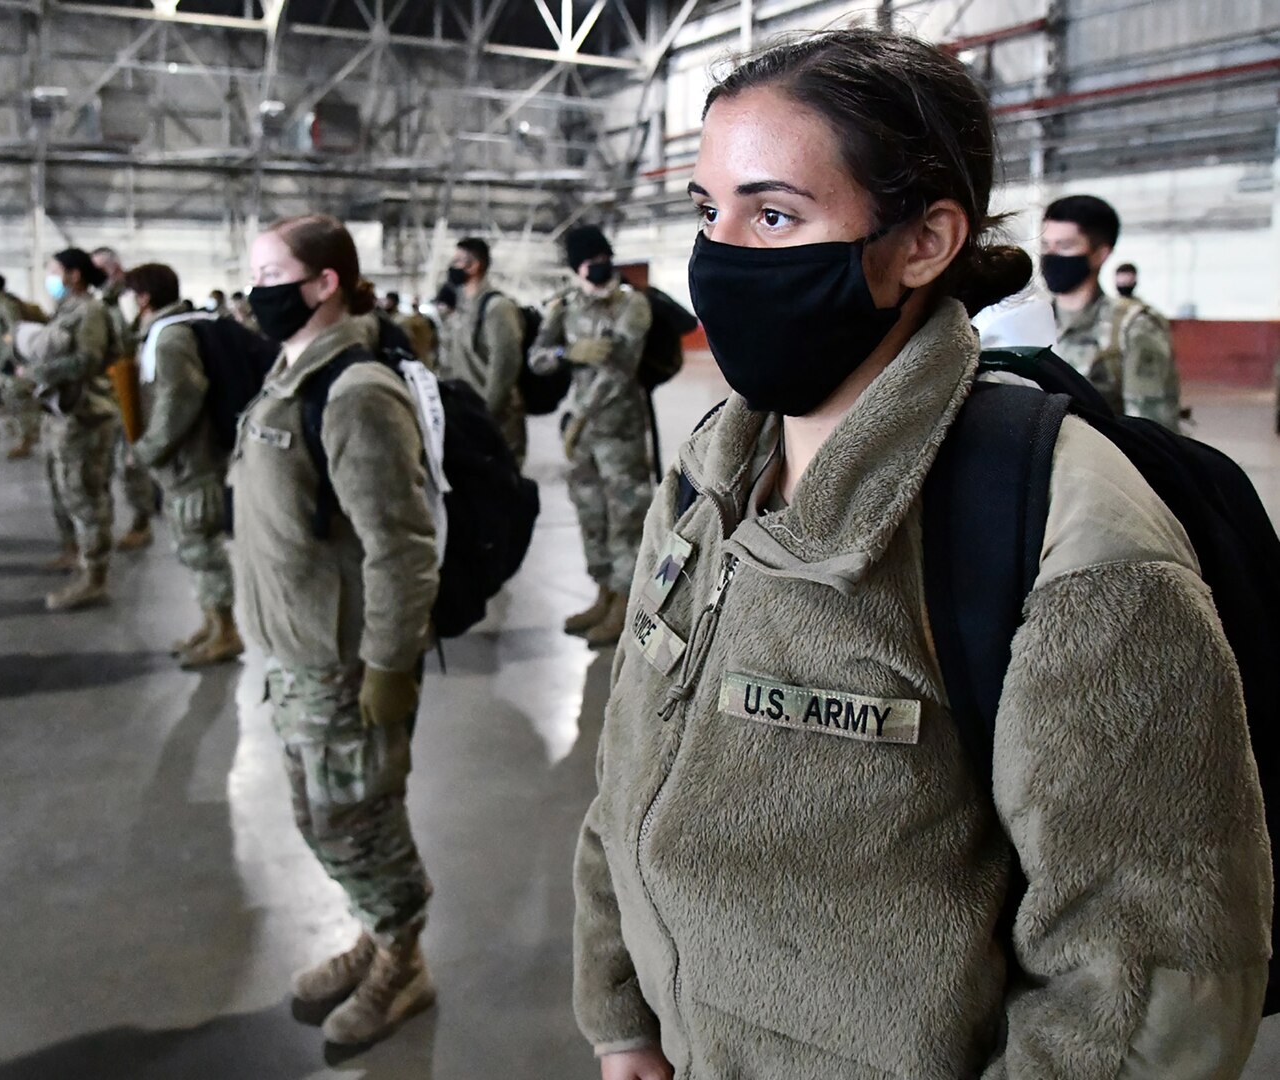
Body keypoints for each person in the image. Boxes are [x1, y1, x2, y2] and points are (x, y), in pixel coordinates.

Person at [574, 28, 1271, 1080]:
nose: (716, 255)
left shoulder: (1062, 534)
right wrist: (622, 1012)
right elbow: (634, 759)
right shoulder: (709, 476)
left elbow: (1144, 983)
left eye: (773, 213)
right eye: (704, 210)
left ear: (922, 241)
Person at [232, 214, 438, 1047]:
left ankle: (403, 963)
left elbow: (402, 546)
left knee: (358, 820)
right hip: (294, 652)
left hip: (344, 663)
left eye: (273, 274)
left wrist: (388, 666)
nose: (256, 291)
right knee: (322, 818)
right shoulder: (287, 374)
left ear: (324, 284)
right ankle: (374, 935)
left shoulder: (355, 393)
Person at [529, 224, 651, 647]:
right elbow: (537, 359)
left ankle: (625, 606)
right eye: (584, 263)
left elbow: (620, 371)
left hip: (619, 433)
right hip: (582, 439)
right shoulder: (564, 307)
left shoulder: (633, 306)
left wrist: (578, 418)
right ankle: (603, 594)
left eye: (598, 260)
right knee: (591, 514)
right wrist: (567, 353)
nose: (593, 269)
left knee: (626, 519)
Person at [125, 262, 243, 668]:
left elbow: (180, 400)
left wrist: (150, 448)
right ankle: (211, 623)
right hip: (182, 460)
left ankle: (226, 630)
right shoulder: (169, 330)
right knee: (191, 547)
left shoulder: (171, 338)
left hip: (191, 460)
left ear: (143, 297)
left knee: (202, 546)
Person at [25, 248, 121, 611]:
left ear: (74, 275)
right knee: (64, 489)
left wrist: (37, 373)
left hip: (86, 415)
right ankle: (75, 552)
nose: (50, 278)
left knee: (84, 496)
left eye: (54, 271)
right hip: (63, 412)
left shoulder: (90, 311)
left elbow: (89, 359)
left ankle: (94, 577)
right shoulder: (66, 311)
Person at [1042, 196, 1181, 429]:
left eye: (1065, 246)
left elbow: (1153, 433)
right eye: (1046, 245)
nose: (1051, 255)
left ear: (1100, 254)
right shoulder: (1027, 321)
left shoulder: (1133, 326)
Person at [438, 237, 526, 463]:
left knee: (501, 491)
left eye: (458, 260)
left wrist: (487, 415)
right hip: (466, 415)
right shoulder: (463, 307)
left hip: (496, 420)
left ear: (474, 265)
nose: (452, 265)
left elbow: (504, 366)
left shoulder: (498, 308)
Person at [91, 246, 156, 550]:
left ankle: (142, 520)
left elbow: (131, 343)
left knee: (132, 459)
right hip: (106, 389)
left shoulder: (130, 298)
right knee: (111, 461)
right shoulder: (102, 300)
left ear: (115, 269)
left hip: (132, 386)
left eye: (102, 268)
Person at [0, 274, 43, 460]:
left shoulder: (6, 304)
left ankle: (27, 438)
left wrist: (7, 350)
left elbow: (13, 329)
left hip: (12, 359)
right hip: (5, 359)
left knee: (20, 397)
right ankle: (23, 433)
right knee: (9, 396)